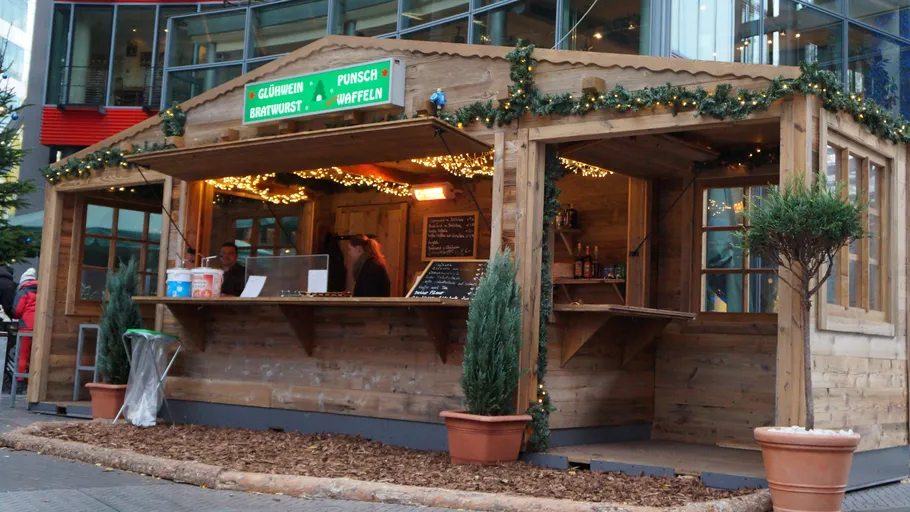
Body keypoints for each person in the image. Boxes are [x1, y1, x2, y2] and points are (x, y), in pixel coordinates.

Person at [12, 268, 37, 378]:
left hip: (26, 326)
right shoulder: (41, 290)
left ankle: (20, 379)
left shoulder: (23, 291)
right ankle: (31, 380)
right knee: (34, 355)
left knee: (22, 355)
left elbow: (17, 310)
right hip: (39, 326)